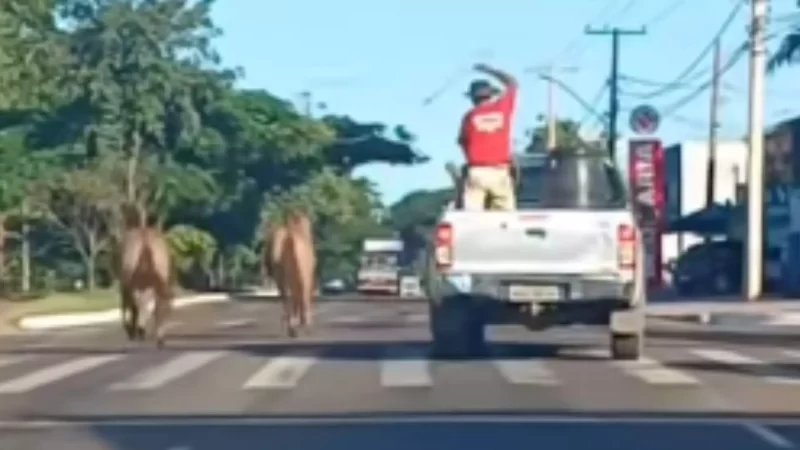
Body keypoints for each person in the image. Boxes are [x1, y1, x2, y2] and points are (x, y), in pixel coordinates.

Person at [456, 63, 518, 211]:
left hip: (476, 171)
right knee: (505, 217)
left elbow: (462, 141)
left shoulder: (469, 117)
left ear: (472, 98)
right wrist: (489, 70)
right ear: (491, 95)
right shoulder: (503, 108)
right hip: (500, 171)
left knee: (472, 217)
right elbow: (512, 82)